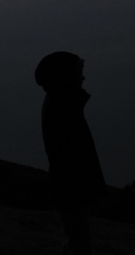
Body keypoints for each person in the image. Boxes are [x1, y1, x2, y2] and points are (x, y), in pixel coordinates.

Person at [35, 51, 106, 255]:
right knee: (78, 244)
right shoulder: (63, 108)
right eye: (79, 71)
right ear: (65, 75)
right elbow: (74, 155)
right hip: (71, 188)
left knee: (74, 240)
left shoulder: (61, 104)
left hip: (69, 187)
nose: (83, 77)